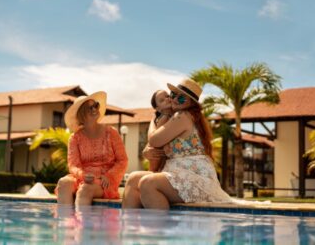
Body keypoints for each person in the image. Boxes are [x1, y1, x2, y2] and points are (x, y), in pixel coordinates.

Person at [122, 79, 231, 210]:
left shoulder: (183, 115)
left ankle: (159, 228)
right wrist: (147, 151)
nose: (174, 99)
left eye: (181, 99)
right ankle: (129, 227)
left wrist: (153, 118)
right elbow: (155, 145)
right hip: (177, 173)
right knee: (133, 178)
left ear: (191, 104)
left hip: (195, 177)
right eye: (173, 95)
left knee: (148, 183)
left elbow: (154, 139)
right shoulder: (174, 118)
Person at [55, 91, 128, 206]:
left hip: (105, 180)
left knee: (85, 190)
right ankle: (65, 223)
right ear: (81, 114)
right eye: (90, 108)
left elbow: (122, 160)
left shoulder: (111, 133)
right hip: (82, 178)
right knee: (63, 183)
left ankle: (83, 224)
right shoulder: (75, 138)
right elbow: (73, 165)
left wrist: (109, 176)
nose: (95, 109)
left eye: (96, 105)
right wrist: (82, 175)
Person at [147, 90, 173, 172]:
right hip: (161, 160)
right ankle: (152, 172)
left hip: (171, 160)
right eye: (162, 100)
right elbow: (157, 137)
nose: (166, 99)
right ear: (158, 109)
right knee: (155, 150)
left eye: (167, 96)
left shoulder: (178, 115)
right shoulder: (162, 118)